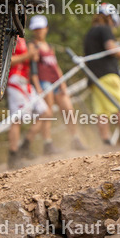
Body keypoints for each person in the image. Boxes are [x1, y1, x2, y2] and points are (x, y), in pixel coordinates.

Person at [29, 14, 86, 151]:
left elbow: (55, 66)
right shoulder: (32, 46)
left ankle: (75, 138)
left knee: (68, 110)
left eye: (40, 28)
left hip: (56, 81)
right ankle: (47, 143)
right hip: (43, 82)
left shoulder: (49, 46)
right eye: (36, 29)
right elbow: (33, 69)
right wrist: (37, 86)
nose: (39, 31)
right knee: (48, 113)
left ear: (46, 28)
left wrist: (62, 82)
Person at [82, 3, 120, 145]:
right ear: (109, 18)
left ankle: (106, 141)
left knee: (102, 112)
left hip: (94, 78)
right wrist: (119, 50)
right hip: (109, 75)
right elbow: (111, 48)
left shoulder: (89, 33)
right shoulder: (105, 29)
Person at [5, 35, 53, 169]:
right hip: (14, 80)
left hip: (26, 82)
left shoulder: (23, 38)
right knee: (17, 119)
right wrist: (28, 55)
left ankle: (25, 145)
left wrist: (33, 56)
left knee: (45, 112)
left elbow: (32, 59)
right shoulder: (8, 36)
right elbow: (6, 61)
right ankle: (13, 155)